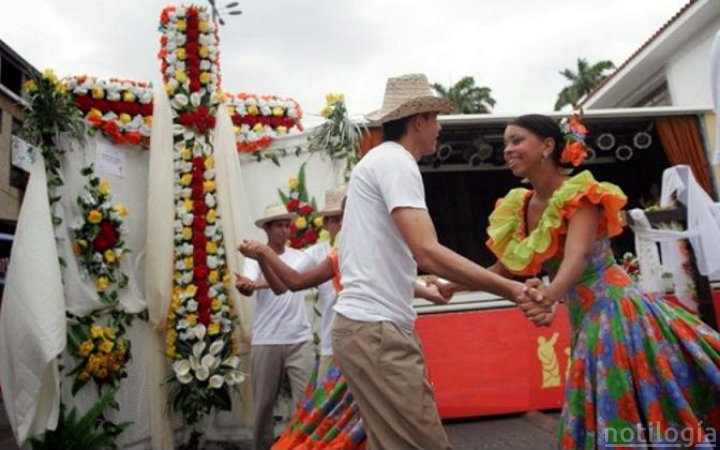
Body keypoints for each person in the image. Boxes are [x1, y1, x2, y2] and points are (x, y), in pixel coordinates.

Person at [440, 113, 720, 448]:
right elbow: (503, 268)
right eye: (505, 144)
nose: (507, 150)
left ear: (547, 146)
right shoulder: (522, 203)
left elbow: (578, 258)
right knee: (617, 400)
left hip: (616, 312)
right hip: (583, 316)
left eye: (516, 141)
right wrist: (450, 285)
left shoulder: (582, 194)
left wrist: (549, 295)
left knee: (624, 399)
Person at [331, 73, 543, 450]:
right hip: (377, 331)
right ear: (418, 121)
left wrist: (421, 289)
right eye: (436, 119)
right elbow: (426, 250)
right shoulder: (396, 163)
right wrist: (510, 288)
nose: (440, 129)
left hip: (365, 328)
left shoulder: (376, 163)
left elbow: (365, 261)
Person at [238, 197, 450, 450]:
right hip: (342, 345)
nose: (342, 224)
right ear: (327, 223)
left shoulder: (376, 246)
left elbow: (402, 278)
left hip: (380, 341)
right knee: (333, 420)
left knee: (383, 416)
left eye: (345, 218)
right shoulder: (328, 253)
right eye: (337, 219)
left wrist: (435, 290)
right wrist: (263, 255)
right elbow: (290, 282)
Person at [235, 203, 316, 450]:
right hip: (267, 338)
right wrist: (246, 287)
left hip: (299, 338)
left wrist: (256, 283)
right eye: (279, 225)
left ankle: (304, 446)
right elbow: (247, 286)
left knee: (306, 403)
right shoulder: (254, 259)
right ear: (267, 229)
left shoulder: (300, 257)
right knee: (263, 406)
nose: (284, 230)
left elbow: (291, 282)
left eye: (286, 225)